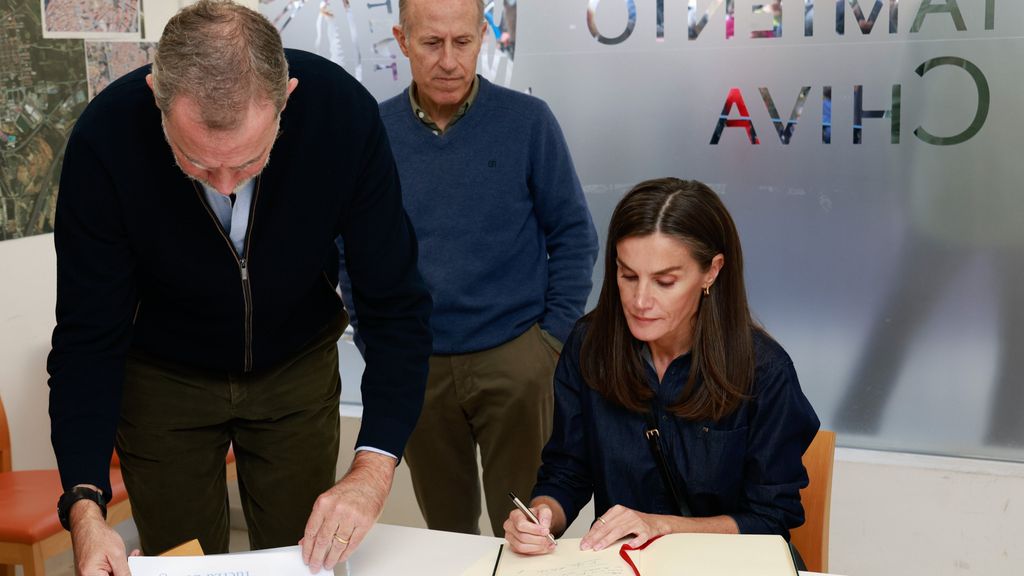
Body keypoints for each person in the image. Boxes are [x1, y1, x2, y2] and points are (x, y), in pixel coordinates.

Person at [46, 1, 431, 574]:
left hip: (295, 368)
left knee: (307, 554)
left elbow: (394, 305)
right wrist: (85, 506)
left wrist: (373, 470)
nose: (225, 185)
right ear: (157, 98)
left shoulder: (340, 115)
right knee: (180, 560)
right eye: (196, 163)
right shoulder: (105, 141)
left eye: (250, 161)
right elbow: (86, 338)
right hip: (162, 378)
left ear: (286, 98)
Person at [348, 0, 598, 537]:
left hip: (516, 358)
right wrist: (378, 343)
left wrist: (548, 344)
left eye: (462, 42)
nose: (449, 60)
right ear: (402, 40)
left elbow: (574, 236)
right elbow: (350, 252)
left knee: (528, 527)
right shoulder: (372, 132)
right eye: (431, 43)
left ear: (482, 36)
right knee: (446, 530)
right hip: (416, 365)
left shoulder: (528, 122)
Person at [503, 178, 819, 559]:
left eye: (664, 281)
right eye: (627, 275)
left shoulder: (765, 370)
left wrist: (663, 526)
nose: (639, 300)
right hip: (625, 564)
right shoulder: (589, 346)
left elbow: (771, 519)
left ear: (712, 271)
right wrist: (541, 516)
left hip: (728, 564)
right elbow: (567, 470)